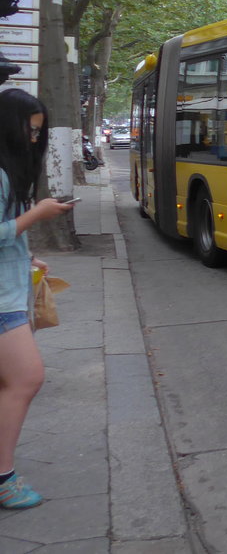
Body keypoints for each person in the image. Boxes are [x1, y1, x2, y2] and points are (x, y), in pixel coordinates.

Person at [0, 89, 75, 509]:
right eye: (30, 131)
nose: (34, 140)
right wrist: (36, 215)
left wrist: (26, 255)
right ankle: (3, 479)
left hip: (9, 290)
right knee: (27, 378)